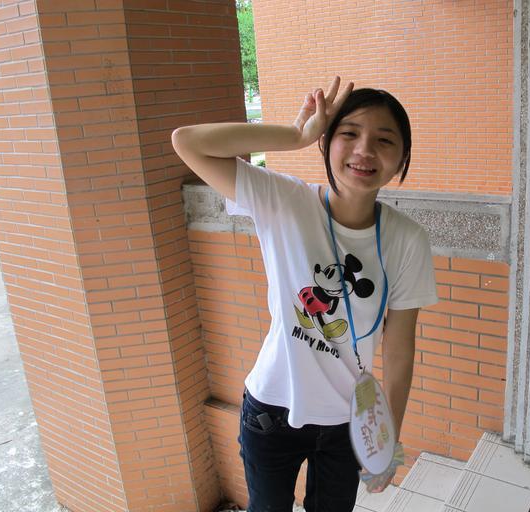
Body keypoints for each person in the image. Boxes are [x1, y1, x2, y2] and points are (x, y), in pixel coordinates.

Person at [171, 77, 438, 512]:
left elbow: (399, 350)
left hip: (349, 421)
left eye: (384, 140)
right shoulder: (284, 201)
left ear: (401, 158)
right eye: (349, 133)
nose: (364, 150)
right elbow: (188, 143)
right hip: (271, 412)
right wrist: (295, 135)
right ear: (326, 141)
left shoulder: (407, 240)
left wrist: (385, 441)